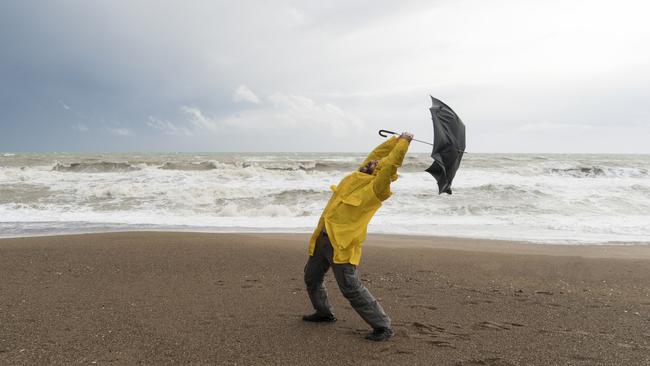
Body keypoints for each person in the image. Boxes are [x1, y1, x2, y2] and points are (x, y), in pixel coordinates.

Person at [302, 132, 413, 341]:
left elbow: (390, 166)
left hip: (341, 246)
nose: (371, 161)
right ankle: (324, 313)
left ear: (378, 172)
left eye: (375, 164)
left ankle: (383, 326)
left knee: (351, 288)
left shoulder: (376, 188)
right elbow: (377, 154)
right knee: (311, 277)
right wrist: (394, 140)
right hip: (322, 238)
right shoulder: (356, 176)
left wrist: (404, 143)